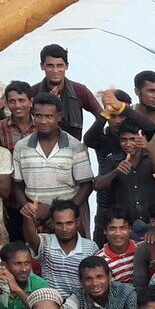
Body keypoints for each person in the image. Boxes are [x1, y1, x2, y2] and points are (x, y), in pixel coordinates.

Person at [12, 93, 94, 230]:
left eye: (49, 116)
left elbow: (87, 185)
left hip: (66, 222)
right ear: (33, 116)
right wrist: (27, 206)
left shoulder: (74, 146)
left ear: (59, 116)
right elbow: (17, 184)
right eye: (39, 116)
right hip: (35, 219)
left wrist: (63, 213)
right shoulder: (21, 147)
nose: (43, 121)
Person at [92, 127, 155, 231]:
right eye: (123, 140)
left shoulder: (152, 158)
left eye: (133, 139)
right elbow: (97, 185)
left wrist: (149, 149)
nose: (128, 144)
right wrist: (116, 171)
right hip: (124, 228)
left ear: (143, 138)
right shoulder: (112, 161)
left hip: (153, 225)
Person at [24, 201, 97, 295]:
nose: (64, 229)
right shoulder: (46, 242)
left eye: (69, 223)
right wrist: (28, 216)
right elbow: (30, 237)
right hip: (50, 302)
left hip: (80, 304)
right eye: (59, 224)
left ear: (78, 222)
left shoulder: (91, 247)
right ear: (53, 223)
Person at [33, 44, 102, 139]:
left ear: (67, 66)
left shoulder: (79, 90)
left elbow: (101, 116)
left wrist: (89, 139)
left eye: (59, 65)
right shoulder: (33, 92)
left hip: (73, 149)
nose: (55, 70)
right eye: (50, 66)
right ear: (42, 66)